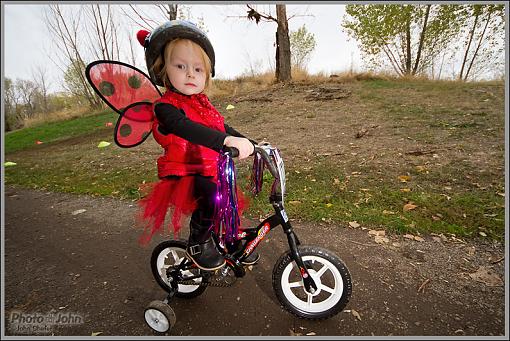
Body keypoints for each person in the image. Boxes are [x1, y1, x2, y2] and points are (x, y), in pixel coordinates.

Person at [136, 20, 259, 271]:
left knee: (226, 200)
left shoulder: (204, 105)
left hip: (209, 167)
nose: (190, 74)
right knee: (212, 197)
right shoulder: (165, 107)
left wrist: (254, 144)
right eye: (180, 66)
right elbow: (186, 127)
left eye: (198, 69)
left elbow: (222, 128)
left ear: (207, 75)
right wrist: (225, 141)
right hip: (185, 172)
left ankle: (227, 239)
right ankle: (198, 241)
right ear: (163, 70)